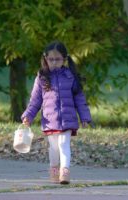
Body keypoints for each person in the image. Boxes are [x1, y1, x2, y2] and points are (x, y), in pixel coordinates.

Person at [21, 41, 92, 184]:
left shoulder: (70, 76)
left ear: (64, 59)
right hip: (50, 120)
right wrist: (28, 116)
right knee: (53, 148)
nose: (54, 62)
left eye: (58, 59)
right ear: (45, 58)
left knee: (64, 143)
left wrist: (85, 117)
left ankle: (65, 171)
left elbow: (79, 99)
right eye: (50, 59)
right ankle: (54, 169)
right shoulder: (42, 77)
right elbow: (35, 101)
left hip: (68, 119)